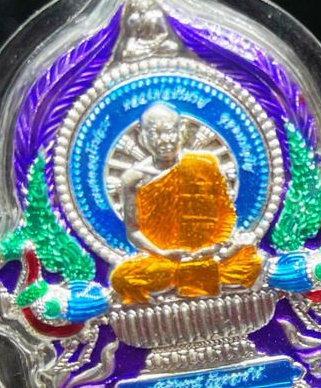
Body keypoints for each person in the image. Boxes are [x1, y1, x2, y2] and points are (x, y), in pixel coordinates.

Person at [110, 102, 261, 304]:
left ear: (181, 130)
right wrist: (163, 253)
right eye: (155, 133)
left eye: (170, 131)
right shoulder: (133, 178)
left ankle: (192, 281)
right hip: (164, 262)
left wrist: (216, 247)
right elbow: (134, 231)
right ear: (141, 135)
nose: (164, 140)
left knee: (253, 263)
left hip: (208, 255)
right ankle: (190, 284)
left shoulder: (205, 164)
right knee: (122, 278)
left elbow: (226, 213)